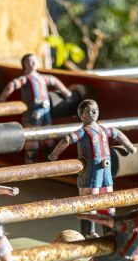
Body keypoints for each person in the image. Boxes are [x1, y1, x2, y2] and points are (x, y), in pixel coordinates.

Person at [48, 100, 133, 237]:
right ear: (82, 115)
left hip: (105, 172)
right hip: (91, 172)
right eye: (89, 110)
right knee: (89, 202)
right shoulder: (84, 132)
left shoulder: (104, 130)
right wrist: (54, 154)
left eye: (96, 109)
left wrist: (130, 147)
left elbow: (118, 134)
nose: (94, 112)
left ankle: (109, 232)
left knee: (108, 201)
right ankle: (89, 232)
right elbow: (67, 139)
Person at [0, 53, 71, 163]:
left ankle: (50, 166)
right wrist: (1, 100)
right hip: (33, 112)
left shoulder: (42, 78)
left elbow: (54, 80)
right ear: (25, 64)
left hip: (46, 112)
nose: (34, 63)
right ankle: (31, 166)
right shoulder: (25, 79)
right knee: (32, 138)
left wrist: (66, 92)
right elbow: (11, 85)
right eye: (30, 61)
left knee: (48, 136)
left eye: (35, 60)